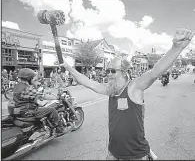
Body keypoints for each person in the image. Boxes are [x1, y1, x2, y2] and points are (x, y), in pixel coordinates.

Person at [60, 28, 194, 160]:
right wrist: (68, 67)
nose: (109, 74)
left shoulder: (134, 86)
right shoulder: (110, 89)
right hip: (113, 153)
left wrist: (176, 47)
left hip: (135, 155)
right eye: (108, 71)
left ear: (124, 72)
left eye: (113, 71)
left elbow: (156, 71)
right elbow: (88, 82)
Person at [10, 68, 65, 136]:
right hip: (27, 111)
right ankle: (59, 129)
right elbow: (42, 96)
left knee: (42, 106)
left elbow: (27, 98)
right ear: (29, 78)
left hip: (19, 110)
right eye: (32, 78)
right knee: (52, 110)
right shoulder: (27, 88)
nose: (33, 79)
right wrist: (58, 97)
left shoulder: (18, 86)